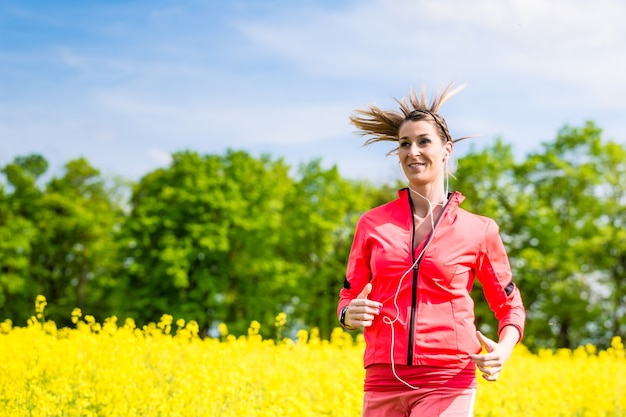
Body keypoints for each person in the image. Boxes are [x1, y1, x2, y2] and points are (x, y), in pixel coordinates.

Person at [337, 82, 525, 417]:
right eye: (404, 144)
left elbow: (509, 305)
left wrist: (505, 348)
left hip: (448, 378)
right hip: (383, 378)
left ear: (446, 149)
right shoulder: (371, 223)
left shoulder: (479, 229)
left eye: (424, 141)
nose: (413, 152)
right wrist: (347, 315)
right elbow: (348, 294)